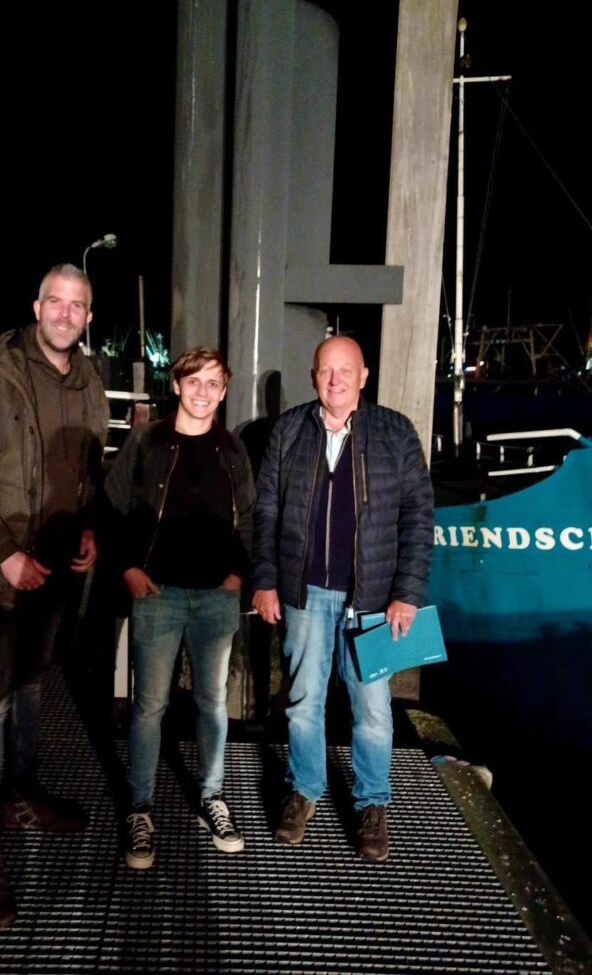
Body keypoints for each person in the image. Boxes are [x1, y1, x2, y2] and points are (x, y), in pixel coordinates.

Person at [0, 263, 109, 929]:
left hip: (54, 574)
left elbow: (90, 470)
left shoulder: (90, 382)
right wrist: (5, 555)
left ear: (88, 316)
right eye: (56, 302)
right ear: (37, 307)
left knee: (33, 686)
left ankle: (23, 792)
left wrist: (90, 526)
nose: (66, 314)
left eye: (78, 305)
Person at [251, 335, 433, 861]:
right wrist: (265, 579)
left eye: (345, 370)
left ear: (364, 375)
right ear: (313, 377)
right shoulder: (288, 430)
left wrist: (407, 593)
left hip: (374, 599)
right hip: (305, 594)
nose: (335, 379)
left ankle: (372, 802)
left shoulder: (395, 431)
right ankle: (306, 791)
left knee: (373, 710)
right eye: (326, 370)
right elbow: (265, 512)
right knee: (304, 705)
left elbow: (419, 516)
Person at [103, 347, 255, 870]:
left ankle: (212, 797)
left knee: (213, 702)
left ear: (225, 390)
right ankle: (140, 809)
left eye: (214, 383)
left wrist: (239, 575)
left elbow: (249, 520)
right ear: (178, 385)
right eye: (195, 381)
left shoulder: (232, 451)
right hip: (158, 594)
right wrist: (128, 566)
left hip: (217, 595)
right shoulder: (147, 442)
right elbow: (114, 506)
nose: (203, 391)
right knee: (150, 706)